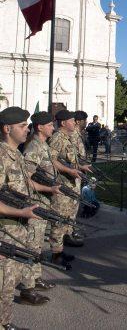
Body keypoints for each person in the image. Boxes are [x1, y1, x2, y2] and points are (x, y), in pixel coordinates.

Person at [0, 106, 58, 328]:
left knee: (10, 282)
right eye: (22, 126)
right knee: (3, 286)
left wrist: (42, 194)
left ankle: (5, 322)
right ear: (7, 128)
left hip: (18, 228)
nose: (27, 129)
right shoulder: (2, 156)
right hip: (6, 229)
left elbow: (26, 184)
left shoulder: (15, 153)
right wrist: (20, 212)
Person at [22, 111, 60, 293]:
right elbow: (26, 179)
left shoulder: (42, 146)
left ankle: (35, 278)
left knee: (37, 243)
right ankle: (28, 286)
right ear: (40, 127)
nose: (53, 127)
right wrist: (48, 189)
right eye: (50, 125)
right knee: (32, 244)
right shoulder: (34, 148)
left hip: (43, 202)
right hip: (35, 203)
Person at [48, 110, 91, 261]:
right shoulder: (57, 138)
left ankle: (61, 248)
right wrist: (68, 170)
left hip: (72, 183)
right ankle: (56, 253)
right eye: (72, 121)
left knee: (68, 216)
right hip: (62, 184)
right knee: (59, 218)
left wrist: (80, 167)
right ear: (64, 123)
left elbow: (71, 159)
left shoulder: (67, 137)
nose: (75, 123)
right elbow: (51, 160)